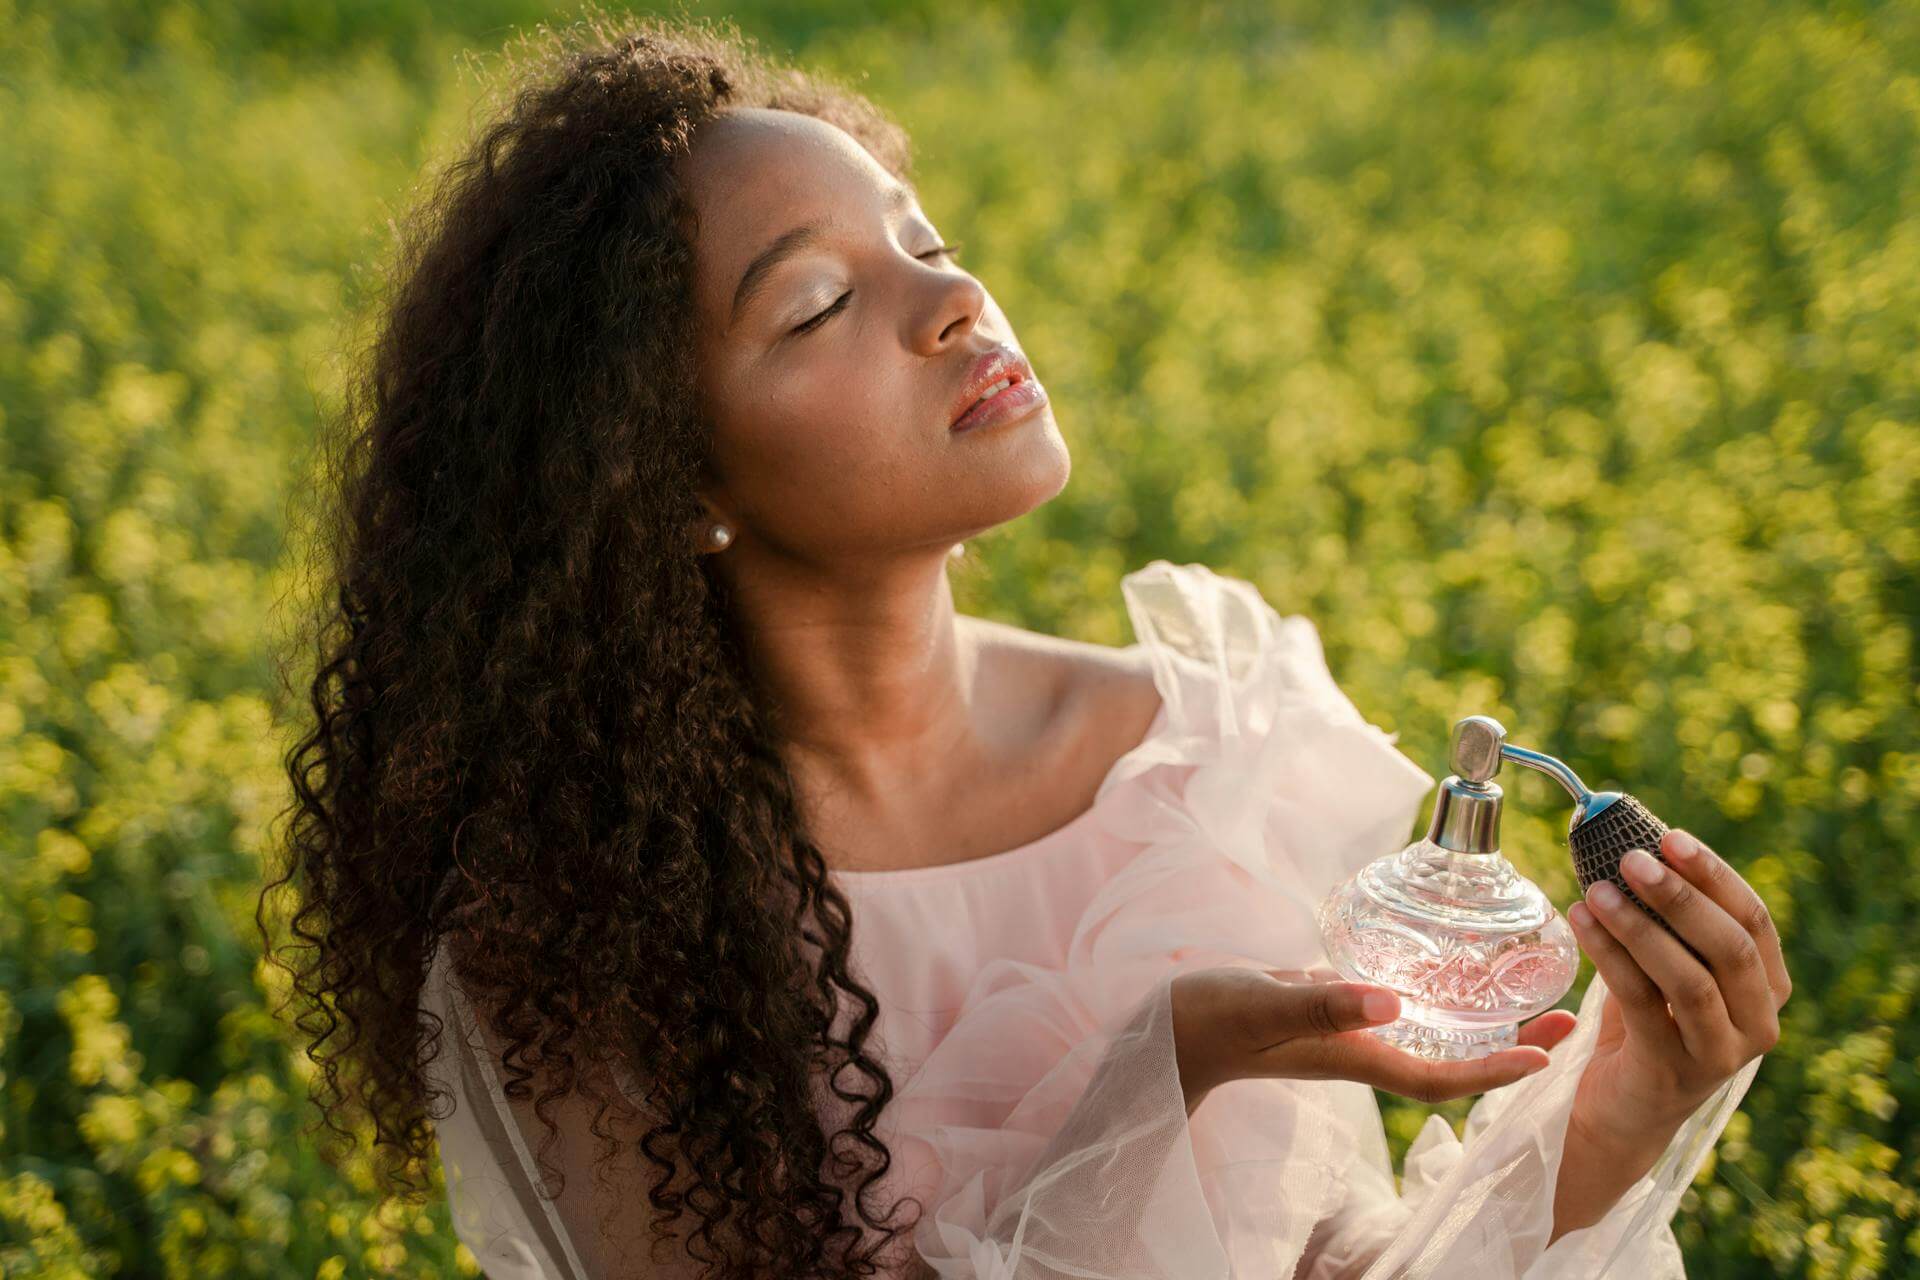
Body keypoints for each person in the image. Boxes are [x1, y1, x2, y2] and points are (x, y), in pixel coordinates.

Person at [265, 13, 1790, 1279]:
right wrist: (1157, 1080)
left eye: (923, 237)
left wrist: (1617, 1113)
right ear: (669, 485)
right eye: (818, 303)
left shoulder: (1204, 761)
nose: (951, 300)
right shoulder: (588, 918)